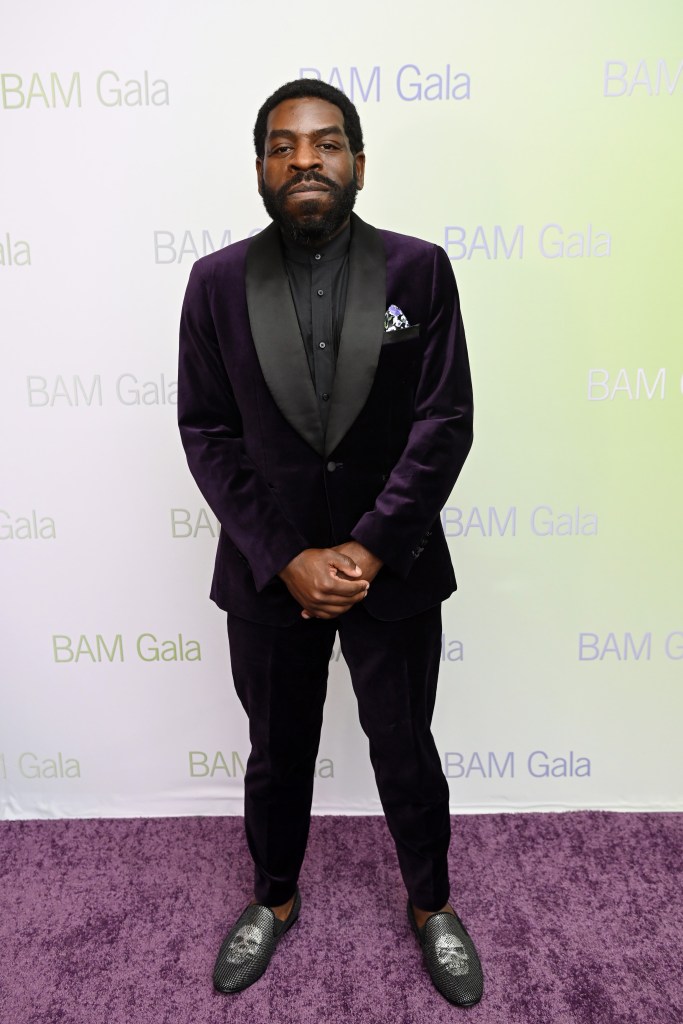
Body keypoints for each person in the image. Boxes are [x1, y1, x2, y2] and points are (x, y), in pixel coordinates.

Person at [177, 78, 483, 1008]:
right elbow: (208, 432)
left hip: (395, 570)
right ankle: (273, 897)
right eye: (284, 146)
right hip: (267, 576)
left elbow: (443, 420)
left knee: (405, 744)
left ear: (357, 160)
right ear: (260, 168)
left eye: (325, 142)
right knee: (276, 750)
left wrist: (370, 549)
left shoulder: (419, 270)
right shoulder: (215, 283)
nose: (304, 159)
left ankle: (431, 904)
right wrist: (287, 556)